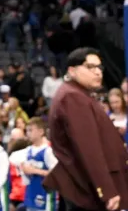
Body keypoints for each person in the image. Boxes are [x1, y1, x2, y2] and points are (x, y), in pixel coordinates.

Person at [44, 47, 128, 211]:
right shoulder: (73, 97)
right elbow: (88, 148)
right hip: (86, 191)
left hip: (84, 186)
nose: (98, 72)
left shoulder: (76, 94)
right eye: (90, 67)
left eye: (99, 67)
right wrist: (106, 190)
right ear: (72, 70)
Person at [16, 118, 56, 211]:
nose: (27, 133)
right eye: (26, 130)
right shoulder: (28, 150)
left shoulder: (47, 151)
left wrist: (35, 171)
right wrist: (23, 169)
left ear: (41, 131)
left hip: (45, 195)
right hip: (30, 194)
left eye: (30, 130)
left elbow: (55, 173)